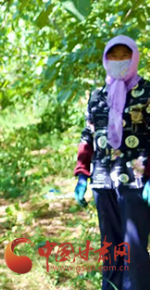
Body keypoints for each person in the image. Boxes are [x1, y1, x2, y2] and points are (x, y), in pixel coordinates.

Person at [74, 35, 150, 290]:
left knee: (134, 246)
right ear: (106, 60)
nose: (119, 61)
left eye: (124, 56)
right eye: (113, 56)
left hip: (137, 181)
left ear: (134, 58)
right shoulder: (98, 96)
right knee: (111, 246)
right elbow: (88, 135)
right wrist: (82, 174)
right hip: (103, 180)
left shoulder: (146, 92)